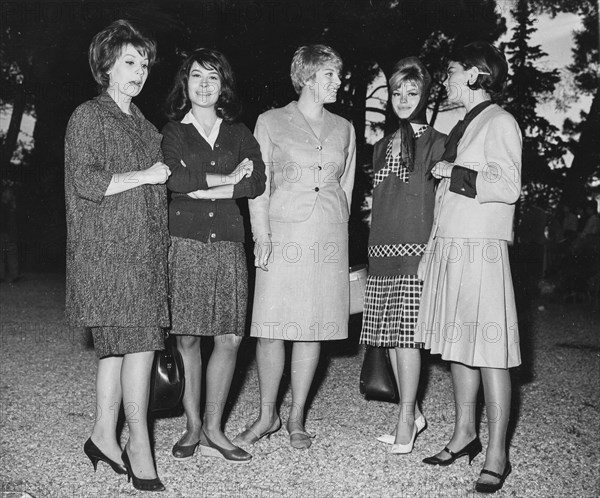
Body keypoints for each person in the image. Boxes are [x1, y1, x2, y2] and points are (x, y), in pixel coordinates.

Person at [64, 20, 170, 492]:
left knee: (117, 349)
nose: (140, 71)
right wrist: (146, 176)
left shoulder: (144, 125)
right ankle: (138, 442)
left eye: (144, 64)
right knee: (140, 346)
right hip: (108, 254)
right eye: (130, 62)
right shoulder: (88, 116)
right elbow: (86, 181)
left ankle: (104, 434)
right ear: (106, 66)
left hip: (143, 252)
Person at [235, 44, 356, 450]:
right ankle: (267, 414)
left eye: (338, 75)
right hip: (283, 234)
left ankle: (297, 415)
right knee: (271, 327)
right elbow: (258, 186)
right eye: (330, 75)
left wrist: (340, 235)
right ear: (306, 77)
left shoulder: (344, 128)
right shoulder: (270, 121)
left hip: (327, 235)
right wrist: (261, 235)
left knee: (313, 328)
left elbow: (347, 187)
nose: (338, 82)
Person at [415, 42, 522, 494]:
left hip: (481, 248)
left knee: (490, 350)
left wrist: (450, 170)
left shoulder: (499, 121)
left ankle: (498, 452)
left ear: (477, 74)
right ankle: (465, 435)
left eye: (454, 71)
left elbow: (508, 185)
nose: (446, 80)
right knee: (459, 344)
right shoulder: (464, 123)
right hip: (453, 245)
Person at [162, 49, 266, 464]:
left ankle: (214, 428)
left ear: (224, 86)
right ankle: (190, 426)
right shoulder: (172, 131)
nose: (204, 85)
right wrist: (225, 179)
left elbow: (256, 180)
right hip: (185, 244)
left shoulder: (239, 131)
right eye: (196, 77)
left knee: (229, 337)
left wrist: (205, 190)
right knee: (187, 336)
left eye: (213, 78)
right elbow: (174, 178)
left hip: (226, 243)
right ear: (184, 84)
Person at [359, 57, 446, 454]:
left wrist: (434, 250)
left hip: (416, 252)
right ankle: (412, 412)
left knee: (407, 338)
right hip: (381, 251)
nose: (404, 99)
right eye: (397, 92)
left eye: (413, 92)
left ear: (425, 95)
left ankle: (405, 420)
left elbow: (442, 202)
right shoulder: (379, 148)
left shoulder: (438, 143)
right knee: (391, 336)